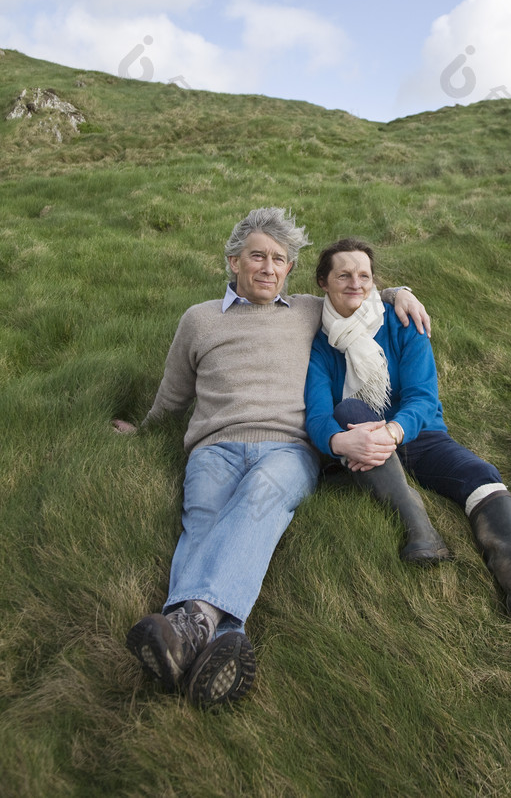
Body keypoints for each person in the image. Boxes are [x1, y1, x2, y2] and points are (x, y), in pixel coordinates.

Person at [116, 208, 432, 708]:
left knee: (259, 502)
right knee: (202, 523)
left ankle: (186, 623)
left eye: (279, 259)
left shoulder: (307, 309)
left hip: (288, 449)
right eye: (257, 256)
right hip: (213, 448)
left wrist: (401, 292)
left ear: (289, 270)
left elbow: (358, 292)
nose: (268, 267)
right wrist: (146, 429)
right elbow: (173, 395)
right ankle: (222, 642)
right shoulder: (198, 320)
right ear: (233, 261)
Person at [304, 238, 511, 619]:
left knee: (480, 473)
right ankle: (421, 532)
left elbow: (423, 399)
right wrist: (341, 440)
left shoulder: (404, 322)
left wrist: (392, 432)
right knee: (350, 409)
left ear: (374, 281)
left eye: (364, 276)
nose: (355, 283)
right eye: (344, 275)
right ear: (323, 282)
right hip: (359, 440)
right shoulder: (321, 343)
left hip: (417, 435)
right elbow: (319, 416)